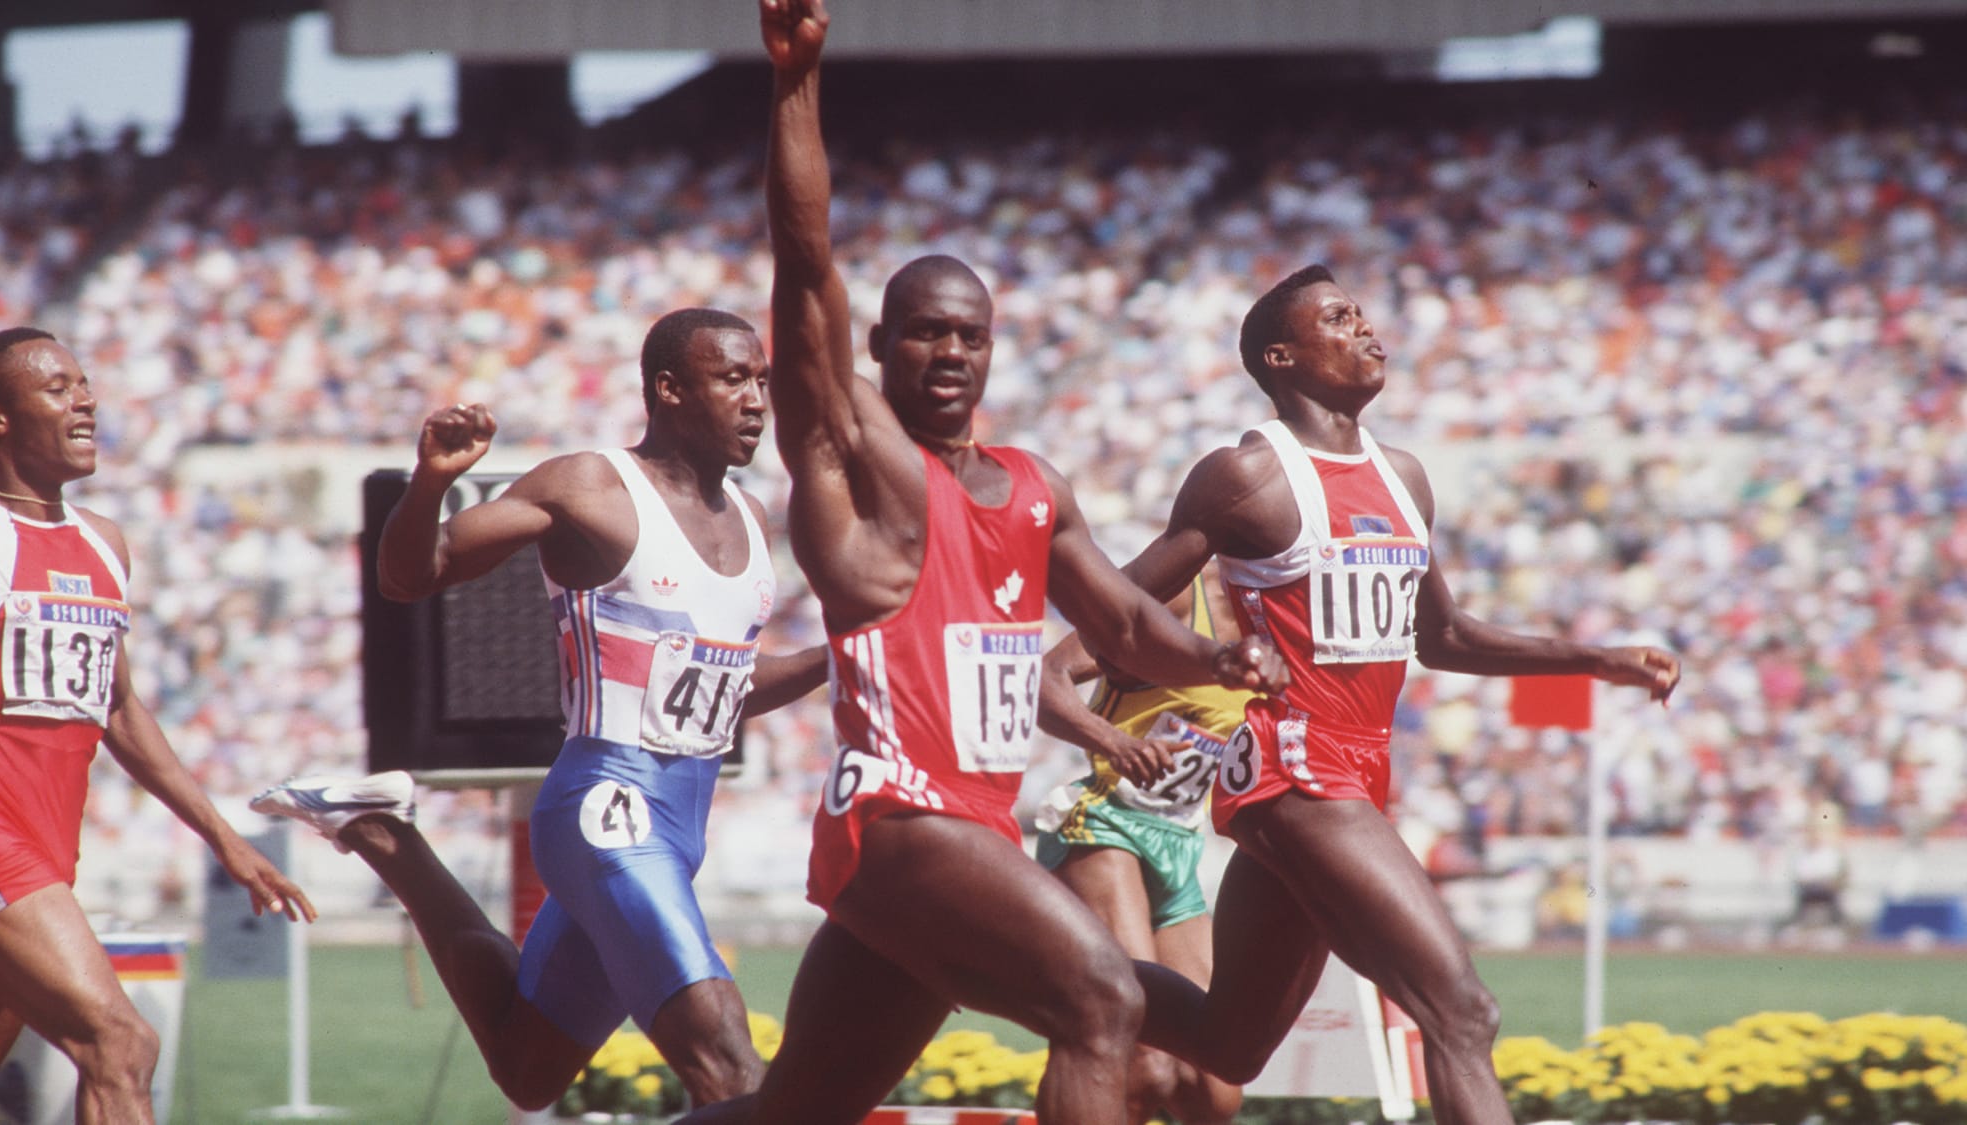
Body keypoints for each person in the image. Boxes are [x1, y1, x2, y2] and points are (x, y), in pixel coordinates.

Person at [677, 6, 1284, 1124]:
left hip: (971, 834)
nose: (948, 351)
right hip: (901, 827)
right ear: (877, 348)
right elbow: (805, 260)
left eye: (968, 335)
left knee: (793, 1109)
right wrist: (795, 83)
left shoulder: (1032, 483)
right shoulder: (857, 467)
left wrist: (1217, 653)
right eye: (921, 332)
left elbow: (1122, 628)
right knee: (1101, 1001)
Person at [1111, 265, 1681, 1125]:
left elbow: (1442, 636)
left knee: (1229, 1044)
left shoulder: (1402, 477)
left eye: (1363, 313)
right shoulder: (1249, 477)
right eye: (1338, 318)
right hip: (1294, 769)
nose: (1368, 329)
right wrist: (1061, 667)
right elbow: (1117, 602)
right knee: (1462, 1010)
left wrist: (1594, 657)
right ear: (1282, 356)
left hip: (1357, 776)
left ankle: (1050, 970)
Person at [250, 308, 827, 1113]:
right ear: (668, 389)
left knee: (527, 1067)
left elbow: (726, 685)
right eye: (733, 378)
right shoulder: (591, 486)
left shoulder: (754, 521)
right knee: (729, 1064)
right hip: (607, 808)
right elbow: (412, 575)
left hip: (682, 823)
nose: (757, 398)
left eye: (761, 380)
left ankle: (387, 836)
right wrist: (431, 485)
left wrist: (839, 656)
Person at [0, 327, 315, 1124]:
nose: (85, 399)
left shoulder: (104, 543)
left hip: (49, 847)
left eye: (84, 383)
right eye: (57, 388)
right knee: (120, 1043)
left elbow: (118, 709)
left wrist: (225, 837)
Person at [1032, 566, 1249, 1125]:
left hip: (1179, 841)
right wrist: (1115, 741)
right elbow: (1044, 678)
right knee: (1144, 1063)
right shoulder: (1180, 595)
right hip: (1103, 826)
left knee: (1215, 1089)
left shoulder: (1287, 626)